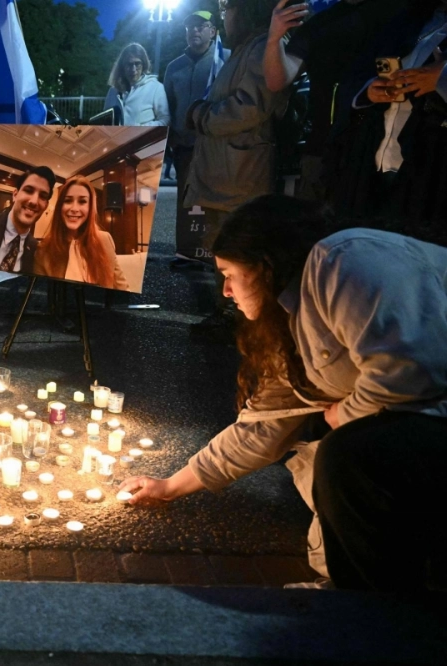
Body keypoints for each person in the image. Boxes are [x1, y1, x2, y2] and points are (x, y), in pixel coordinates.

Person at [118, 194, 447, 594]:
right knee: (336, 458)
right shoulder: (289, 324)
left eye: (230, 275)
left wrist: (347, 414)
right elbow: (261, 429)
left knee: (348, 456)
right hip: (418, 431)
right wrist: (169, 487)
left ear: (264, 266)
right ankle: (367, 598)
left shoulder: (344, 261)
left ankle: (375, 619)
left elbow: (414, 369)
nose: (225, 291)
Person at [184, 0, 289, 334]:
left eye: (227, 8)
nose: (223, 16)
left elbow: (251, 107)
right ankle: (229, 313)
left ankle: (239, 319)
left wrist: (202, 115)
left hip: (240, 173)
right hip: (227, 172)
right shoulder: (245, 49)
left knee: (239, 247)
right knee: (226, 247)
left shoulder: (261, 47)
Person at [263, 0, 401, 202]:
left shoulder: (398, 14)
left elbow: (395, 81)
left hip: (383, 151)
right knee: (316, 226)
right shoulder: (320, 22)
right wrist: (273, 39)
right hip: (323, 151)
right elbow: (277, 81)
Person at [327, 0, 447, 224]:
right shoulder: (408, 20)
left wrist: (441, 77)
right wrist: (370, 90)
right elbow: (360, 73)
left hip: (432, 170)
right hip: (375, 157)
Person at [165, 10, 230, 268]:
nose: (194, 31)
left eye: (201, 26)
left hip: (214, 144)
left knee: (215, 201)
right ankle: (186, 252)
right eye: (190, 27)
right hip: (184, 146)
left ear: (213, 31)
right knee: (186, 200)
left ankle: (214, 254)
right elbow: (168, 106)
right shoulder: (174, 67)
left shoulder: (225, 60)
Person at [34, 175, 130, 290]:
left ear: (90, 208)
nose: (74, 208)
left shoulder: (105, 240)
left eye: (82, 201)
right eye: (68, 200)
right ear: (60, 206)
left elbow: (123, 289)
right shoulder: (43, 251)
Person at [0, 166, 56, 275]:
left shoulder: (36, 251)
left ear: (46, 205)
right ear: (15, 195)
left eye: (42, 196)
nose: (34, 201)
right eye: (28, 190)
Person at [104, 43, 170, 127]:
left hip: (143, 139)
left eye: (137, 64)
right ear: (122, 66)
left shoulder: (155, 88)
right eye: (129, 64)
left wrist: (139, 129)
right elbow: (105, 121)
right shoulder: (113, 91)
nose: (133, 69)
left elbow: (165, 120)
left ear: (144, 64)